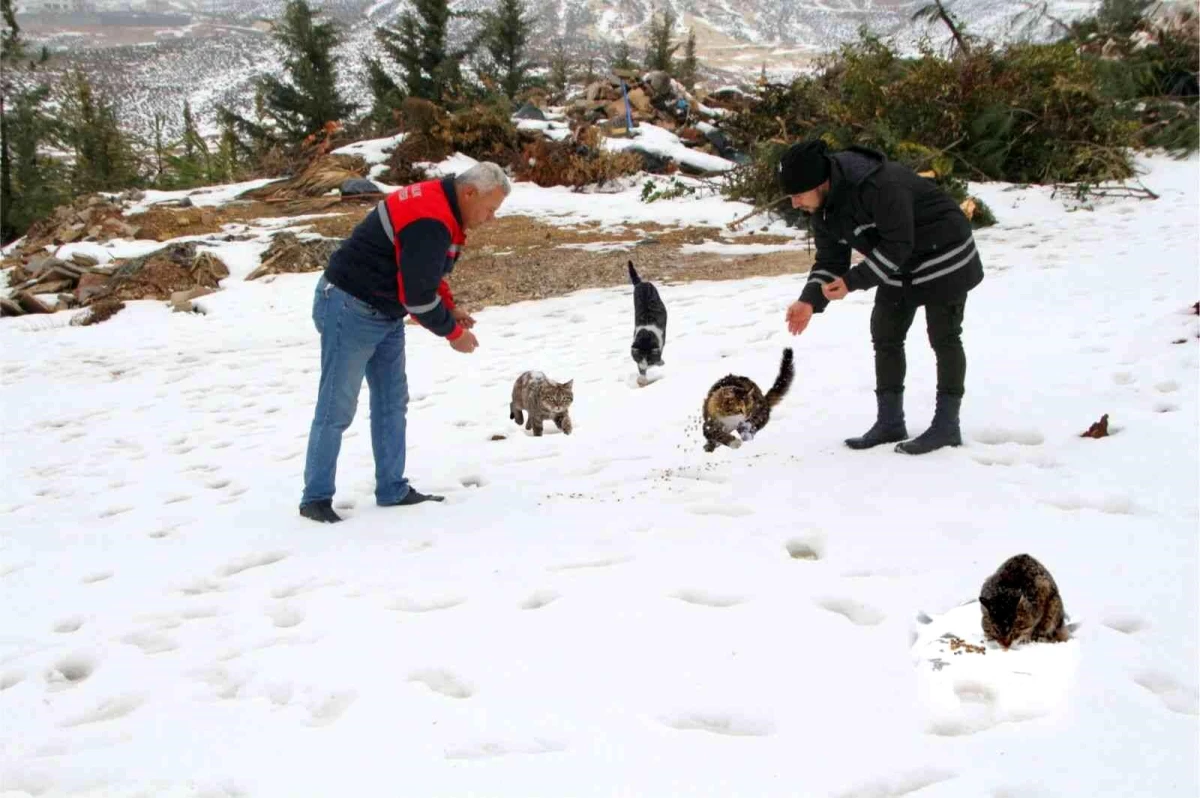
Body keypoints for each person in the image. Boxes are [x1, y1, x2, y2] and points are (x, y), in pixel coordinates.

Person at [299, 162, 510, 523]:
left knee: (392, 403)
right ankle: (315, 498)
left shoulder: (444, 206)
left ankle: (392, 489)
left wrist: (450, 306)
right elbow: (416, 298)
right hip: (348, 307)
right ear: (469, 192)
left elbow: (426, 273)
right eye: (490, 209)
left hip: (384, 310)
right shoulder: (431, 217)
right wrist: (453, 334)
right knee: (337, 407)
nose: (491, 218)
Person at [780, 139, 983, 455]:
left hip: (944, 251)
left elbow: (897, 245)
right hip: (898, 258)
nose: (794, 204)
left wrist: (852, 282)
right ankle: (890, 422)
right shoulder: (824, 208)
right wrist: (809, 300)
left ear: (820, 183)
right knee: (885, 333)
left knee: (944, 337)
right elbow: (831, 260)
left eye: (797, 195)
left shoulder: (880, 185)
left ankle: (947, 426)